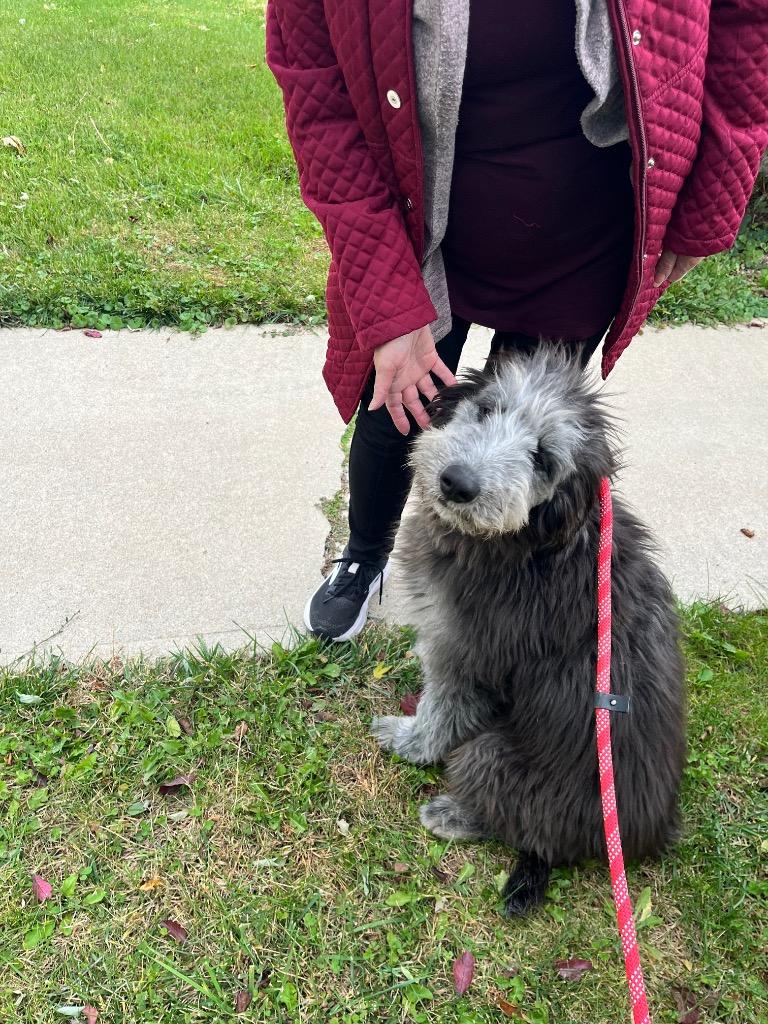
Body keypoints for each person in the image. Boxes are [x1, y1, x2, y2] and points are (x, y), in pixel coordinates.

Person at [265, 0, 768, 642]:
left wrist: (713, 195)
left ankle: (482, 592)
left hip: (581, 237)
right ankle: (366, 556)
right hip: (419, 225)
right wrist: (387, 302)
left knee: (516, 447)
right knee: (394, 408)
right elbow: (318, 97)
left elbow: (746, 23)